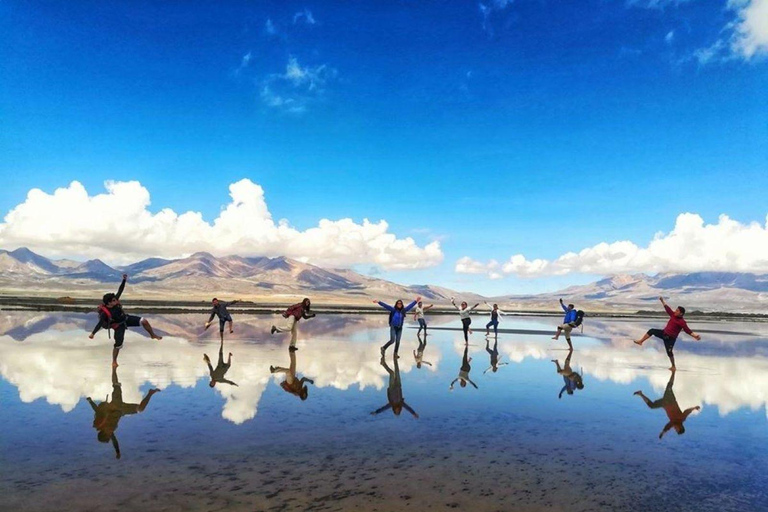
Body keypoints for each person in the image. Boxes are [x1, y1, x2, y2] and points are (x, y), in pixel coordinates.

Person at [86, 366, 160, 459]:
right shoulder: (110, 431)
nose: (111, 433)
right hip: (122, 411)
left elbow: (96, 409)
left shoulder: (100, 423)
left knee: (116, 385)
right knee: (140, 409)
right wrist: (118, 452)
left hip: (115, 405)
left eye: (109, 434)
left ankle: (113, 368)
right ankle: (150, 393)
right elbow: (114, 441)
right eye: (110, 435)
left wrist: (90, 401)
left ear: (104, 432)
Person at [89, 274, 162, 367]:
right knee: (118, 344)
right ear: (109, 303)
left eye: (116, 299)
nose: (117, 301)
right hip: (118, 325)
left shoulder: (115, 302)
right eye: (114, 300)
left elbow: (120, 290)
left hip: (126, 319)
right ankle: (114, 361)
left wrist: (124, 280)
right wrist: (93, 334)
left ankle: (152, 335)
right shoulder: (104, 313)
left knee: (144, 321)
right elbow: (99, 324)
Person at [633, 297, 701, 370]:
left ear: (681, 313)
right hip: (664, 333)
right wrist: (662, 301)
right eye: (676, 310)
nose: (675, 311)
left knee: (669, 352)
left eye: (677, 311)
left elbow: (687, 330)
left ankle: (673, 366)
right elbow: (667, 308)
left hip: (671, 339)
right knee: (651, 330)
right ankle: (641, 341)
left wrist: (695, 336)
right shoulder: (673, 314)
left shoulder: (682, 322)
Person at [634, 371, 701, 438]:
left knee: (651, 406)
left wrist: (663, 432)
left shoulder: (673, 423)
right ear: (681, 427)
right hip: (670, 400)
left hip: (664, 403)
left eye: (675, 430)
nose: (674, 428)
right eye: (676, 429)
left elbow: (667, 427)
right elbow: (687, 411)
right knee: (669, 386)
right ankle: (673, 372)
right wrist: (694, 408)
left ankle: (640, 394)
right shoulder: (682, 418)